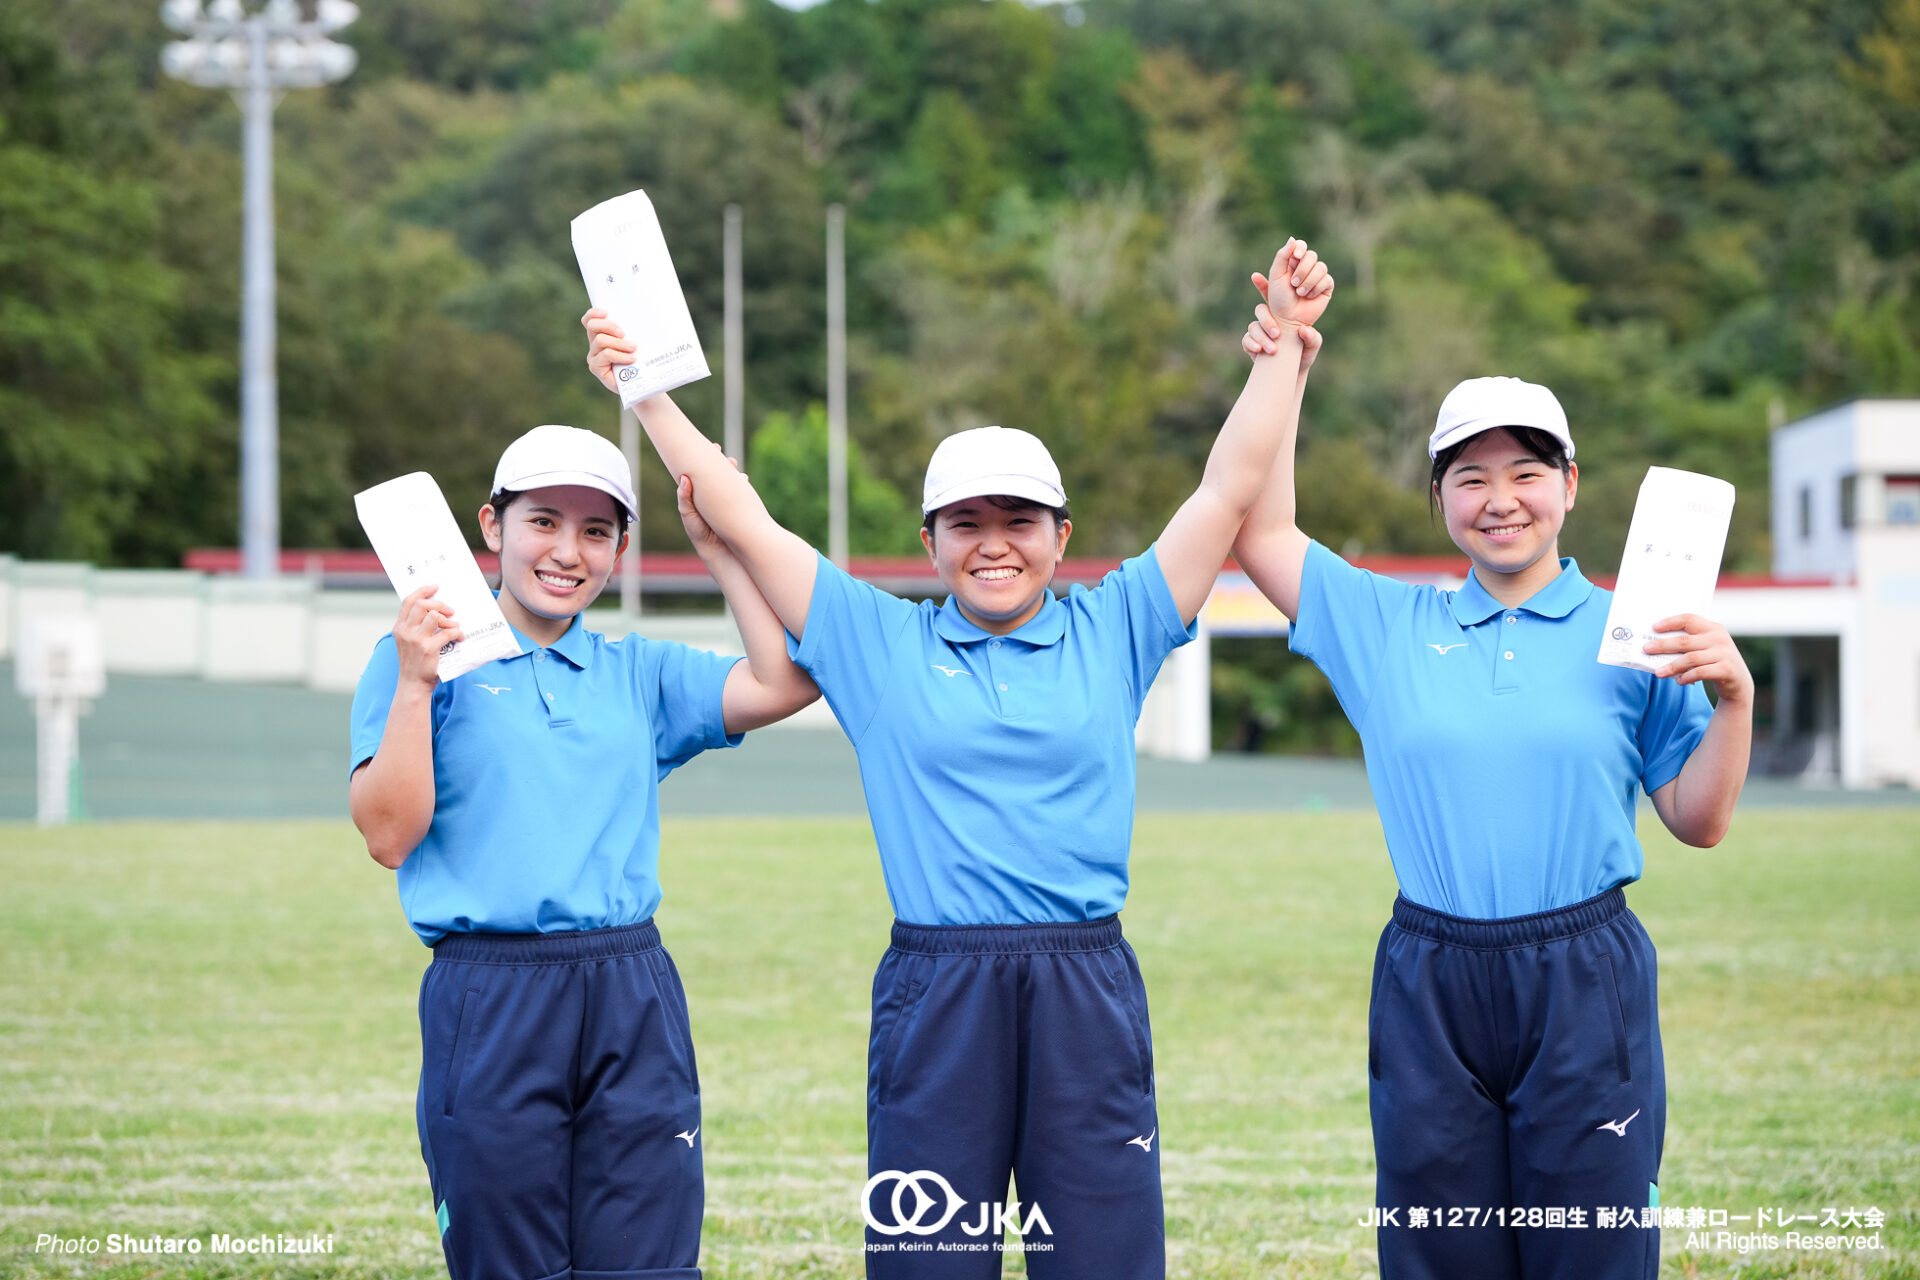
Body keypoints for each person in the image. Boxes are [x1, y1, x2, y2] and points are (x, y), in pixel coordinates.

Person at [583, 240, 1333, 1279]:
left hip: (1085, 984)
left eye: (1017, 520)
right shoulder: (878, 641)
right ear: (929, 540)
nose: (993, 542)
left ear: (1060, 534)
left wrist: (1282, 347)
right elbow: (738, 508)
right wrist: (645, 390)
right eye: (965, 522)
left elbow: (1226, 490)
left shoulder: (1116, 623)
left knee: (1105, 1261)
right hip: (937, 990)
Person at [1233, 307, 1753, 1279]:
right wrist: (1287, 365)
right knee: (1440, 1246)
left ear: (1570, 485)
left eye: (1526, 472)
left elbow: (1700, 818)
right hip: (1431, 973)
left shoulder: (1638, 627)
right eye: (1470, 475)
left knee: (1590, 1247)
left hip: (1583, 971)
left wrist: (1734, 698)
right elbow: (1260, 526)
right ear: (1439, 496)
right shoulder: (1384, 622)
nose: (1500, 498)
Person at [347, 423, 820, 1280]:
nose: (568, 551)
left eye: (596, 531)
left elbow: (785, 679)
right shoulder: (413, 660)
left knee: (648, 1261)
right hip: (488, 995)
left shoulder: (635, 671)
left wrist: (721, 551)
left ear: (621, 548)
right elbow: (387, 835)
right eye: (544, 522)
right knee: (510, 1261)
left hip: (629, 991)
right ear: (491, 527)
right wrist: (418, 682)